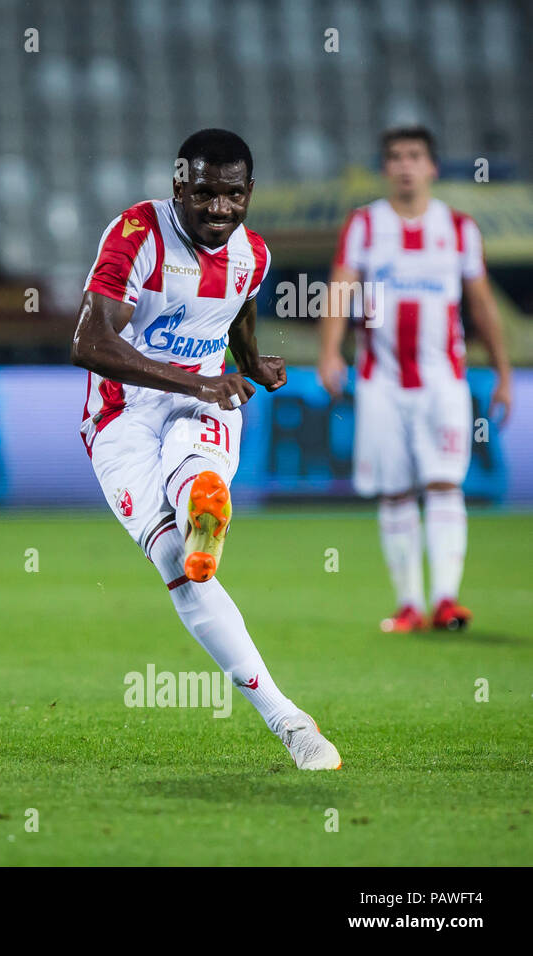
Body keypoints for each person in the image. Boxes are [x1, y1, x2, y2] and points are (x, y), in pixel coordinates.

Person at [72, 128, 341, 770]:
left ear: (249, 193)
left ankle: (202, 501)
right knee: (178, 560)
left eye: (232, 196)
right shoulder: (137, 235)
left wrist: (252, 361)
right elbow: (88, 342)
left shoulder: (254, 254)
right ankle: (286, 713)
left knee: (201, 460)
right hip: (120, 415)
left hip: (203, 401)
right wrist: (199, 377)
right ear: (177, 187)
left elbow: (236, 310)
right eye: (204, 194)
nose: (218, 209)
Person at [319, 126, 512, 633]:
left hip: (442, 380)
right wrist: (329, 353)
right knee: (395, 489)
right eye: (396, 157)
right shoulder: (363, 225)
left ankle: (446, 600)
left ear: (431, 166)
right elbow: (340, 290)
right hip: (380, 380)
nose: (405, 165)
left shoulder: (458, 228)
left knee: (444, 481)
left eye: (415, 156)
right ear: (386, 168)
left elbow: (482, 305)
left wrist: (505, 373)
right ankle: (409, 604)